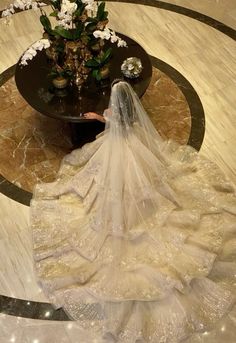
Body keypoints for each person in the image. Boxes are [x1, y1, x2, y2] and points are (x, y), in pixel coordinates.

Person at [31, 81, 236, 343]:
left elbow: (109, 120)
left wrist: (97, 117)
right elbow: (111, 119)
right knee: (147, 189)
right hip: (134, 154)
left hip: (118, 157)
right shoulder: (132, 119)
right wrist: (99, 116)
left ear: (116, 106)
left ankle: (125, 221)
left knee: (115, 190)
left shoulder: (115, 119)